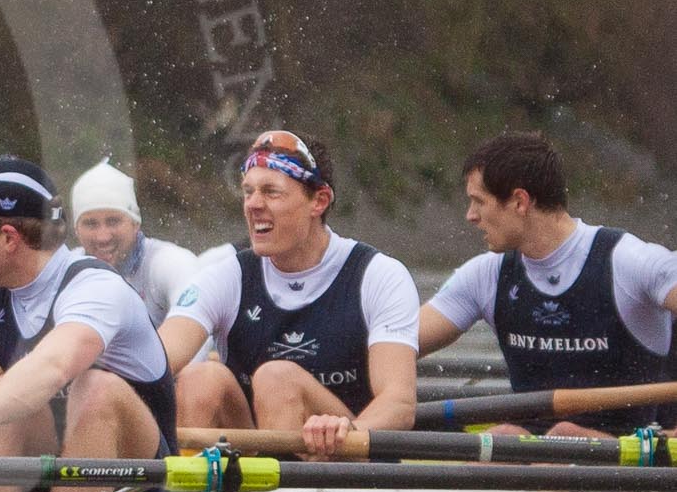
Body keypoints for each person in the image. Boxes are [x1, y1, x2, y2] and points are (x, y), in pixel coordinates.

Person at [0, 158, 180, 492]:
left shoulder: (96, 287)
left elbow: (55, 365)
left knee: (94, 388)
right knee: (4, 408)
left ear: (8, 238)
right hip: (54, 475)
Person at [160, 131, 420, 458]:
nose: (253, 204)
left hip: (347, 459)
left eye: (271, 192)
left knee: (277, 377)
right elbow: (156, 359)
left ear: (319, 201)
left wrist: (346, 432)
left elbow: (399, 402)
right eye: (248, 191)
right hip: (255, 456)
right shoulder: (227, 275)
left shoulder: (378, 275)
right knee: (201, 377)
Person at [419, 131, 677, 436]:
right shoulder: (486, 275)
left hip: (630, 453)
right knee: (504, 435)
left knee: (565, 432)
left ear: (519, 201)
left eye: (478, 202)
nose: (470, 216)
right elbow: (394, 345)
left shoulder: (629, 261)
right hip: (534, 449)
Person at [70, 158, 201, 327]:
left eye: (113, 221)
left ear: (135, 223)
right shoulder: (67, 273)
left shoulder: (170, 262)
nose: (102, 237)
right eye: (90, 223)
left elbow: (195, 334)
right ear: (76, 230)